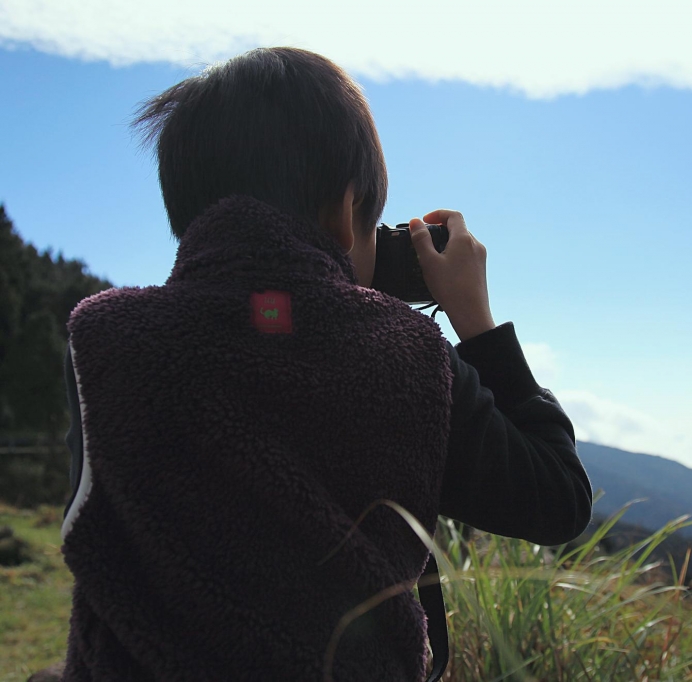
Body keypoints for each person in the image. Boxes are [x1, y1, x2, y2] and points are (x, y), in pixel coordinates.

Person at [58, 47, 592, 681]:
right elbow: (558, 500)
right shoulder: (410, 357)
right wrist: (476, 323)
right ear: (347, 208)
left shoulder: (105, 338)